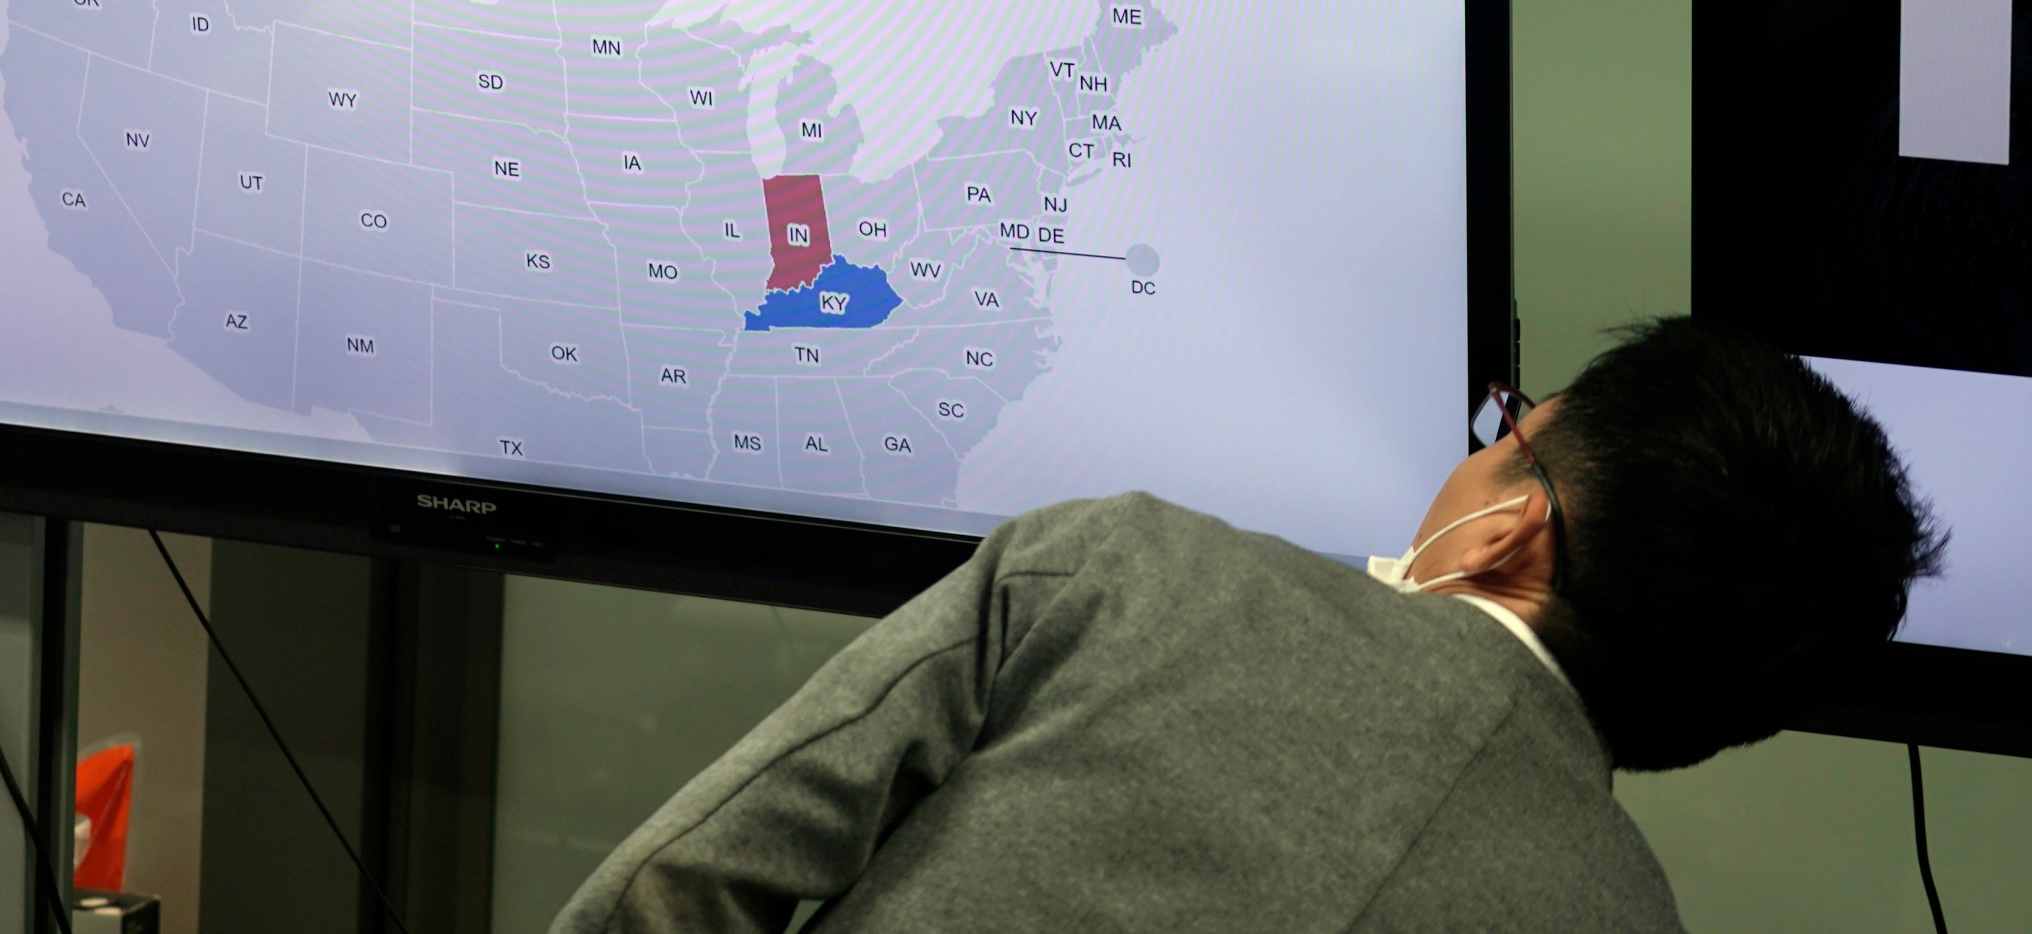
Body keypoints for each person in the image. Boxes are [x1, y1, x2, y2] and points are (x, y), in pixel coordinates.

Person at [546, 318, 1945, 931]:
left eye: (1508, 429)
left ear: (1513, 525)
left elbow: (666, 891)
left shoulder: (1126, 569)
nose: (1476, 447)